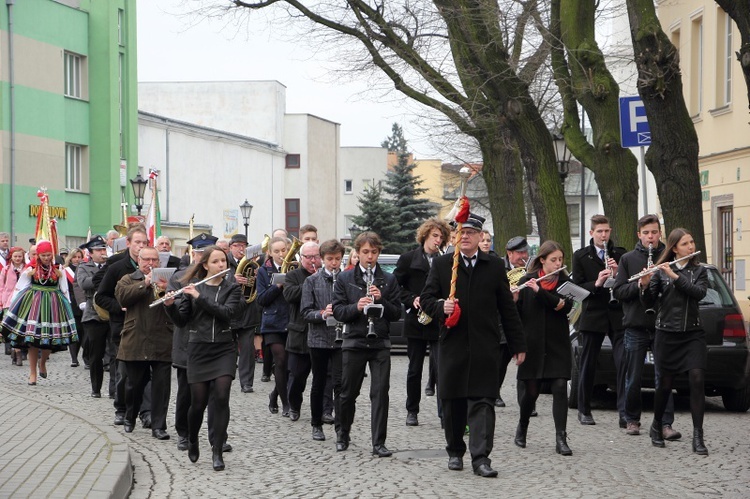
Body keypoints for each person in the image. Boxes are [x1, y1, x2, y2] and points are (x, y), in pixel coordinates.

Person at [420, 213, 527, 478]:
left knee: (483, 402)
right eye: (461, 232)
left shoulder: (493, 266)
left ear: (480, 237)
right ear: (455, 237)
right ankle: (455, 451)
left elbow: (507, 309)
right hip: (453, 345)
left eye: (471, 232)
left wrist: (518, 344)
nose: (465, 236)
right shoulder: (444, 265)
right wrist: (439, 306)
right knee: (453, 403)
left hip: (484, 347)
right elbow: (425, 299)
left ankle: (481, 458)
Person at [165, 245, 242, 470]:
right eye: (216, 262)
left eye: (223, 262)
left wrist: (199, 297)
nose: (221, 266)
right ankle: (192, 439)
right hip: (198, 349)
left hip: (224, 348)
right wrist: (170, 306)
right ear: (205, 265)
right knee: (197, 403)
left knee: (221, 397)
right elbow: (181, 321)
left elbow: (226, 313)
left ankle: (217, 450)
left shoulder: (232, 289)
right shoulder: (192, 288)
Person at [332, 231, 401, 457]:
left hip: (380, 341)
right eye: (365, 252)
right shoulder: (345, 279)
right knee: (348, 393)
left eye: (373, 252)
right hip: (354, 340)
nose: (369, 257)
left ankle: (378, 442)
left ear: (378, 252)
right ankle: (343, 433)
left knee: (380, 393)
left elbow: (396, 313)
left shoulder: (389, 280)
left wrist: (381, 299)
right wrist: (356, 307)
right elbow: (339, 311)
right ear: (357, 253)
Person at [640, 228, 708, 455]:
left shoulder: (699, 271)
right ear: (674, 248)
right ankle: (656, 425)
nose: (690, 246)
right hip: (667, 334)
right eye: (685, 243)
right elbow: (648, 303)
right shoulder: (660, 272)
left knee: (697, 378)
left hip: (692, 334)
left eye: (692, 242)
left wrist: (675, 277)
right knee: (665, 385)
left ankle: (698, 436)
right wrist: (645, 283)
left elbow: (698, 293)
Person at [613, 215, 680, 440]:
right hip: (636, 325)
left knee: (664, 377)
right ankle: (632, 419)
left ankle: (665, 423)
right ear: (639, 235)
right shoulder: (628, 259)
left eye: (654, 232)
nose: (650, 237)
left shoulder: (668, 258)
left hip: (663, 325)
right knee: (633, 377)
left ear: (660, 232)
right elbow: (618, 292)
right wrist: (640, 284)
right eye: (646, 233)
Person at [513, 241, 574, 456]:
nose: (558, 263)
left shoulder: (565, 282)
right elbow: (516, 315)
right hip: (533, 344)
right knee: (531, 392)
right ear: (542, 261)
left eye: (560, 259)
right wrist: (514, 298)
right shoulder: (527, 281)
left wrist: (540, 292)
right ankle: (522, 426)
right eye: (554, 260)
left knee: (559, 387)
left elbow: (564, 305)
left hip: (557, 343)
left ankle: (561, 438)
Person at [394, 217, 450, 427]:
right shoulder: (408, 259)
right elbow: (396, 287)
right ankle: (412, 411)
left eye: (441, 237)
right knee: (414, 369)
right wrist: (411, 299)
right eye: (435, 235)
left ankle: (444, 413)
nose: (438, 240)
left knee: (442, 368)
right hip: (416, 320)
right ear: (425, 235)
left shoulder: (445, 260)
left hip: (437, 319)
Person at [572, 214, 626, 427]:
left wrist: (616, 272)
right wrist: (597, 283)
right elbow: (576, 288)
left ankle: (624, 412)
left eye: (606, 231)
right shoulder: (581, 256)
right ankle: (584, 409)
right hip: (593, 314)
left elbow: (626, 283)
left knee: (623, 361)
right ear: (591, 233)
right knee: (588, 363)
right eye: (599, 232)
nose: (604, 235)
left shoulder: (620, 254)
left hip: (616, 314)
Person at [114, 246, 173, 440]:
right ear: (138, 261)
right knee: (134, 385)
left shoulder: (168, 280)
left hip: (162, 338)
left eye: (154, 260)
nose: (150, 264)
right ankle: (130, 416)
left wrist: (168, 292)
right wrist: (145, 283)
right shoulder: (128, 279)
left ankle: (159, 426)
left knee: (161, 387)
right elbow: (123, 297)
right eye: (146, 260)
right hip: (136, 339)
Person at [1, 240, 79, 385]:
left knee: (49, 342)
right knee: (32, 341)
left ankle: (42, 362)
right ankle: (32, 373)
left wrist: (67, 306)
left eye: (48, 255)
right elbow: (20, 287)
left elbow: (64, 289)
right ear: (38, 255)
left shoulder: (58, 268)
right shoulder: (31, 268)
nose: (46, 258)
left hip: (53, 306)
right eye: (43, 255)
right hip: (34, 305)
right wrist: (12, 306)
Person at [95, 226, 151, 427]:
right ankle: (121, 408)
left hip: (149, 327)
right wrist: (119, 307)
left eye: (144, 243)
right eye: (137, 242)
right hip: (124, 327)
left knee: (148, 373)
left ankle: (146, 412)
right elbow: (101, 296)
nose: (141, 246)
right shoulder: (117, 267)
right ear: (128, 243)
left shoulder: (153, 266)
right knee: (124, 372)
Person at [301, 239, 346, 442]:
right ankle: (316, 424)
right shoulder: (312, 281)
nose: (333, 263)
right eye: (329, 259)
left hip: (340, 339)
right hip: (318, 338)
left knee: (339, 383)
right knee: (318, 383)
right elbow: (305, 312)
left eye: (337, 259)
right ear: (322, 259)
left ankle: (340, 427)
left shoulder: (345, 279)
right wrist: (322, 313)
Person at [283, 241, 321, 421]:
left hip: (322, 334)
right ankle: (294, 406)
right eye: (308, 257)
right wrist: (312, 280)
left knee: (326, 378)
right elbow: (290, 295)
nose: (313, 260)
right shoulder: (292, 275)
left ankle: (326, 410)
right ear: (301, 258)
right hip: (300, 334)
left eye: (316, 257)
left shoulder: (327, 275)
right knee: (297, 376)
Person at [257, 236, 291, 416]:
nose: (281, 254)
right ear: (269, 253)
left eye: (283, 250)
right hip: (272, 323)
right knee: (281, 361)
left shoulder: (294, 267)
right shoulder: (263, 271)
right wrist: (277, 286)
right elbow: (261, 299)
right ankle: (286, 404)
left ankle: (275, 394)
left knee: (291, 366)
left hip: (291, 322)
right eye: (276, 251)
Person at [498, 236, 531, 409]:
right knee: (501, 360)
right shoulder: (499, 268)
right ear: (509, 254)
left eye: (525, 252)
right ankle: (494, 391)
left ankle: (527, 402)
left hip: (524, 319)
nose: (523, 256)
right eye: (519, 253)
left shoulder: (529, 269)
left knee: (525, 363)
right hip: (503, 322)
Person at [76, 235, 111, 397]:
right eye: (98, 250)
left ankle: (114, 390)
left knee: (115, 353)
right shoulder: (84, 267)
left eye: (103, 249)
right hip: (93, 314)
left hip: (112, 311)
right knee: (96, 354)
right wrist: (106, 272)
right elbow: (85, 284)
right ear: (90, 253)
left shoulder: (112, 264)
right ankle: (96, 388)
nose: (102, 252)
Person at [226, 233, 259, 394]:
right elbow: (216, 281)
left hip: (247, 311)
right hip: (230, 311)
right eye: (237, 245)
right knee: (229, 348)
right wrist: (233, 280)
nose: (240, 248)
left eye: (243, 245)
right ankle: (227, 376)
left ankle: (246, 383)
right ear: (230, 247)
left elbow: (258, 287)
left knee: (247, 350)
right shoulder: (224, 262)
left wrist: (259, 277)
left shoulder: (253, 265)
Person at [1, 246, 27, 366]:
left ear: (23, 257)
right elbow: (1, 287)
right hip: (9, 302)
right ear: (11, 257)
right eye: (15, 256)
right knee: (10, 327)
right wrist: (2, 302)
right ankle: (15, 351)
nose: (17, 258)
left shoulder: (27, 269)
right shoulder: (5, 270)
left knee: (20, 328)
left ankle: (18, 351)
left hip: (23, 301)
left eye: (19, 256)